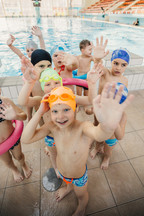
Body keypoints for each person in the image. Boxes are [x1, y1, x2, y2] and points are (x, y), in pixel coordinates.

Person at [21, 84, 134, 216]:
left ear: (75, 107)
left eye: (66, 110)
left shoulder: (83, 127)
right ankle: (68, 188)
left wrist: (108, 125)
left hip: (79, 177)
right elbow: (26, 139)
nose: (60, 117)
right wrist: (39, 112)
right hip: (63, 172)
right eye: (55, 111)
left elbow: (100, 135)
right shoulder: (52, 126)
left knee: (81, 195)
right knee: (68, 184)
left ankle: (81, 207)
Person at [18, 58, 103, 178]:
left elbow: (90, 100)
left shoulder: (69, 96)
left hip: (69, 134)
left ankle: (72, 167)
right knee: (53, 154)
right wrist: (29, 83)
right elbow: (22, 101)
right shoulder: (42, 100)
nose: (53, 87)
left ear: (61, 83)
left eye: (56, 82)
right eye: (48, 84)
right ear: (42, 86)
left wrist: (92, 84)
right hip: (51, 134)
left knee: (68, 154)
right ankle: (57, 168)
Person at [0, 71, 32, 182]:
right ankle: (14, 170)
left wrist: (15, 116)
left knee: (19, 156)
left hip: (12, 138)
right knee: (8, 161)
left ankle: (23, 165)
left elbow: (24, 116)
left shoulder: (5, 102)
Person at [90, 37, 130, 169]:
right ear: (111, 62)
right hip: (100, 110)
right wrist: (96, 58)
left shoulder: (124, 81)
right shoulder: (105, 73)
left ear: (127, 66)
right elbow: (97, 63)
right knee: (97, 128)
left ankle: (107, 156)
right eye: (116, 63)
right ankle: (97, 146)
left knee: (110, 137)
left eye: (123, 65)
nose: (118, 67)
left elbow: (121, 99)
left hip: (112, 113)